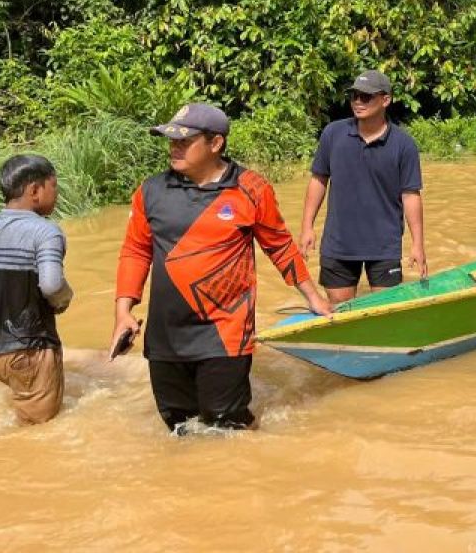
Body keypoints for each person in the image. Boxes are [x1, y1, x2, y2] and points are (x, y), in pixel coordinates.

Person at [112, 103, 332, 433]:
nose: (174, 147)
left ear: (216, 144)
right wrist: (123, 311)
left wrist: (313, 297)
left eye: (184, 141)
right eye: (171, 140)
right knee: (178, 426)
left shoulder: (251, 189)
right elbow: (135, 251)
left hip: (225, 331)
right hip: (165, 334)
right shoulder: (150, 191)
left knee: (226, 426)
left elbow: (279, 246)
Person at [300, 69, 428, 304]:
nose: (358, 102)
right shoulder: (332, 134)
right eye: (354, 96)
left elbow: (410, 195)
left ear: (386, 100)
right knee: (340, 310)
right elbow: (318, 180)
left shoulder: (404, 145)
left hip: (384, 244)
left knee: (385, 310)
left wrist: (417, 244)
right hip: (339, 242)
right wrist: (307, 226)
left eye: (366, 97)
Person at [0, 155, 73, 424]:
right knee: (40, 432)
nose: (57, 194)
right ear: (34, 191)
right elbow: (52, 285)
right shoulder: (45, 232)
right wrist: (65, 298)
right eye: (54, 186)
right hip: (29, 347)